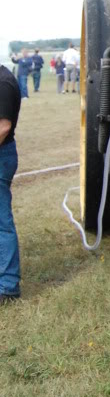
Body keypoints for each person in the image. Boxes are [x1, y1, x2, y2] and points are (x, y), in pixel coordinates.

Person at [0, 62, 21, 302]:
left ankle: (8, 286)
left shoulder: (3, 82)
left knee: (2, 223)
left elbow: (3, 127)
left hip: (2, 156)